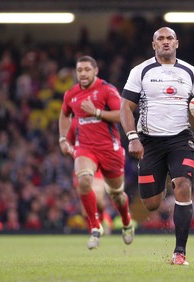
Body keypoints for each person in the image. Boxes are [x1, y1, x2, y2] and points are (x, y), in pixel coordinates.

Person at [120, 27, 194, 265]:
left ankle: (179, 252)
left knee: (183, 184)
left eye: (169, 38)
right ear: (153, 45)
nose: (165, 42)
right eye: (160, 39)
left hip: (180, 139)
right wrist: (132, 137)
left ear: (177, 43)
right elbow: (125, 107)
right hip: (149, 141)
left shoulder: (192, 73)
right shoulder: (140, 71)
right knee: (152, 204)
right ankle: (162, 180)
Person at [58, 55, 134, 250]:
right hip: (86, 148)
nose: (83, 73)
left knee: (117, 195)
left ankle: (126, 222)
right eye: (80, 70)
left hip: (110, 149)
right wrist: (62, 138)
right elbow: (64, 114)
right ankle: (95, 228)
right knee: (83, 181)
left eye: (87, 70)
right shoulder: (71, 94)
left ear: (95, 71)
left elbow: (122, 115)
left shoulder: (107, 90)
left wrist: (97, 112)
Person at [66, 118, 113, 234]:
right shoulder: (74, 122)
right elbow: (67, 142)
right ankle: (94, 231)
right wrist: (75, 152)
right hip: (81, 165)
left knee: (99, 202)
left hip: (97, 166)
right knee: (85, 211)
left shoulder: (101, 119)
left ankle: (101, 222)